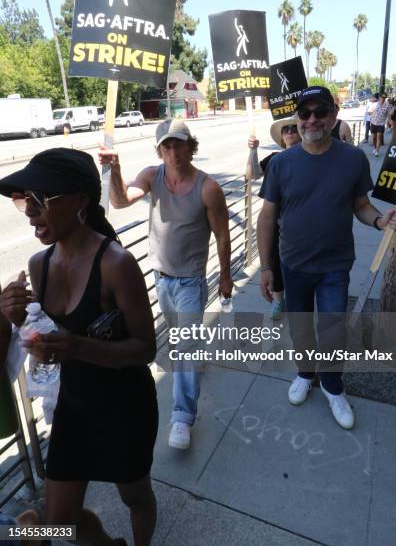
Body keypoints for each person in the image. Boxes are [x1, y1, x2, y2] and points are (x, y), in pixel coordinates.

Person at [0, 148, 158, 546]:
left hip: (125, 406)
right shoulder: (39, 264)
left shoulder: (116, 264)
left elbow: (145, 348)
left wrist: (77, 348)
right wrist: (14, 317)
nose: (31, 211)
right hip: (75, 403)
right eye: (25, 201)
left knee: (134, 496)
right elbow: (41, 334)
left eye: (41, 200)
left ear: (80, 201)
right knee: (58, 523)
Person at [257, 86, 396, 430]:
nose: (311, 120)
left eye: (319, 112)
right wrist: (266, 267)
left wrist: (381, 221)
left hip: (335, 265)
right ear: (297, 118)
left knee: (334, 328)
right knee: (301, 327)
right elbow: (266, 218)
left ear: (333, 115)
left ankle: (333, 386)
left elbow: (361, 206)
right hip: (293, 264)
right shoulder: (281, 163)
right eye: (304, 114)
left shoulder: (352, 158)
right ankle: (306, 374)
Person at [99, 119, 233, 450]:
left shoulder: (208, 188)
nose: (172, 151)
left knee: (184, 347)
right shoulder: (151, 175)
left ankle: (182, 418)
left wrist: (227, 275)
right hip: (160, 277)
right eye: (166, 146)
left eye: (178, 143)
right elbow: (119, 201)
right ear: (159, 150)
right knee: (179, 338)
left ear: (191, 145)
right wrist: (114, 169)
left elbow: (222, 234)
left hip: (190, 281)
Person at [246, 116, 301, 319]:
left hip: (299, 223)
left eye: (293, 128)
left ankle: (297, 300)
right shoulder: (274, 158)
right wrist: (253, 149)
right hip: (275, 222)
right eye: (285, 129)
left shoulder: (311, 158)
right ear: (281, 136)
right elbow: (251, 174)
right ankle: (279, 302)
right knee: (274, 262)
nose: (289, 132)